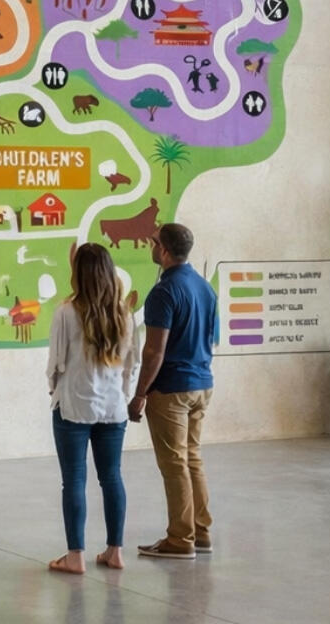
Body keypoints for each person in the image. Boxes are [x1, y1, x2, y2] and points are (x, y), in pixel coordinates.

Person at [46, 242, 139, 574]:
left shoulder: (66, 312)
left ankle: (75, 557)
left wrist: (53, 391)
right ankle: (115, 551)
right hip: (113, 410)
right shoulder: (124, 314)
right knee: (111, 477)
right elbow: (131, 364)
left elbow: (55, 364)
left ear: (78, 275)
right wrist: (123, 395)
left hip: (73, 406)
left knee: (73, 480)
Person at [128, 222, 217, 560]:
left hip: (171, 390)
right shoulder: (205, 288)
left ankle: (180, 539)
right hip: (201, 385)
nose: (151, 246)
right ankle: (201, 531)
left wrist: (140, 393)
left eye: (153, 242)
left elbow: (154, 351)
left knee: (174, 463)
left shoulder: (163, 292)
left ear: (163, 250)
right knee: (192, 457)